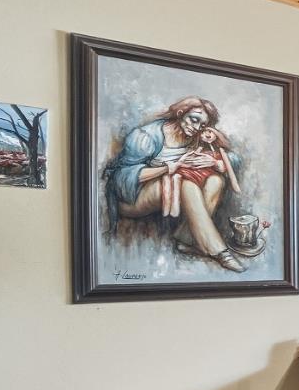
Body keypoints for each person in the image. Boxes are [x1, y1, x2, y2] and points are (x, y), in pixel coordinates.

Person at [104, 96, 245, 272]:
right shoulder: (146, 136)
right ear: (180, 113)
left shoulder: (197, 138)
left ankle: (186, 240)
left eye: (202, 125)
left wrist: (214, 163)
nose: (196, 128)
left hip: (171, 189)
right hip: (133, 197)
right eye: (194, 120)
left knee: (216, 180)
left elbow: (232, 158)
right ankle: (220, 252)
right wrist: (167, 168)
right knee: (185, 183)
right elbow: (120, 179)